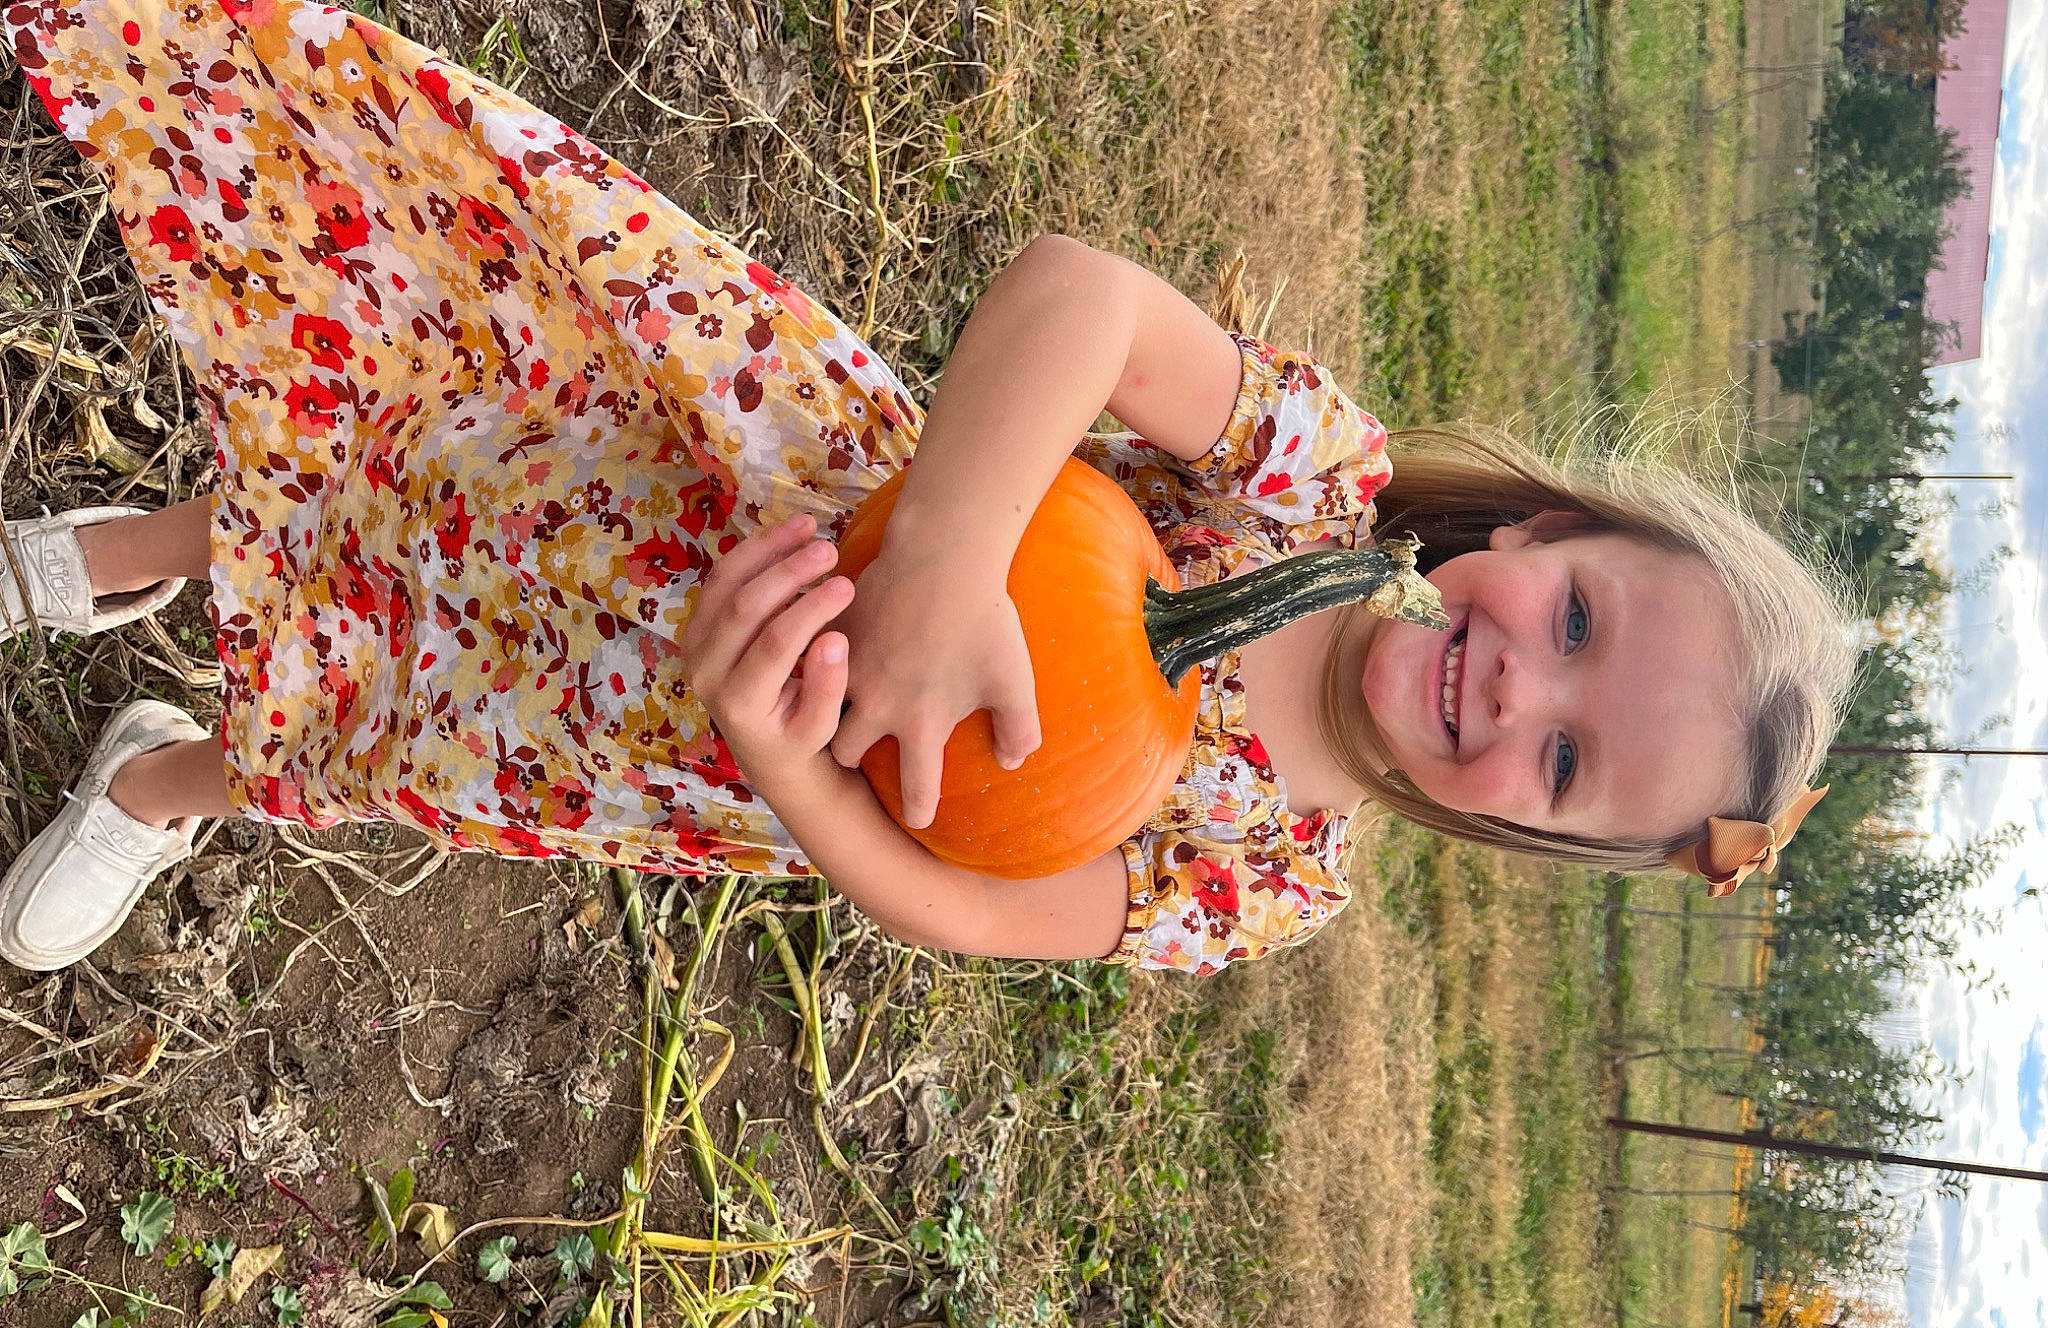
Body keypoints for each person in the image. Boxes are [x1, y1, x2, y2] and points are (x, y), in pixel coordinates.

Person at [0, 0, 1852, 978]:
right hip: (712, 460)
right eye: (1580, 622)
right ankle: (164, 551)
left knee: (386, 721)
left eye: (1564, 759)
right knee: (408, 451)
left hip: (687, 723)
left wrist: (782, 744)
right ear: (1535, 538)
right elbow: (1082, 301)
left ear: (1535, 834)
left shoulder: (1270, 880)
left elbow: (966, 910)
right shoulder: (1319, 482)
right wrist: (953, 552)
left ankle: (172, 773)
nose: (1518, 686)